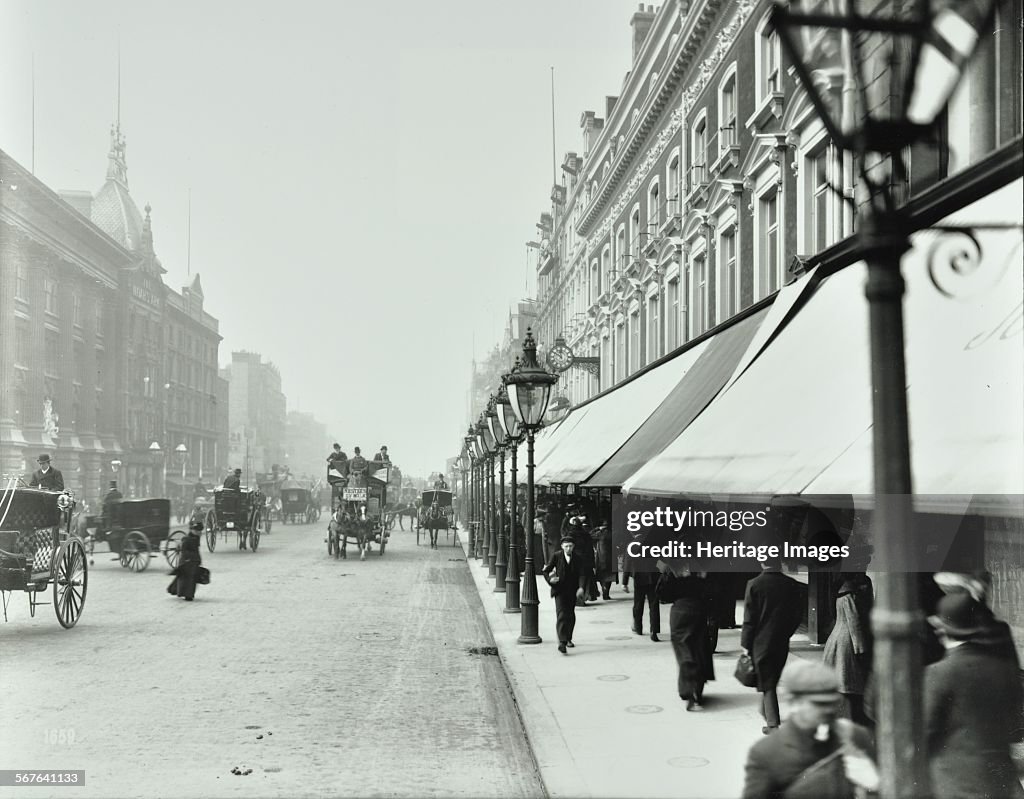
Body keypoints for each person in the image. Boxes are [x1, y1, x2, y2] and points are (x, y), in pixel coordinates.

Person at [924, 592, 1024, 799]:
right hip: (1000, 780)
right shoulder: (1003, 668)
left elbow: (924, 733)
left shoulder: (938, 672)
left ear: (941, 630)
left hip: (955, 784)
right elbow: (1015, 728)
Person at [742, 661, 878, 799]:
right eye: (819, 704)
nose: (829, 710)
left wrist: (875, 786)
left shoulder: (855, 736)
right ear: (794, 703)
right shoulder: (766, 753)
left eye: (833, 703)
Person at [742, 558, 804, 734]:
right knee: (771, 677)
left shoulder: (754, 584)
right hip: (781, 641)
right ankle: (766, 711)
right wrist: (787, 633)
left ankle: (773, 724)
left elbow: (749, 620)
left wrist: (745, 645)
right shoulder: (791, 584)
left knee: (768, 682)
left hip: (760, 642)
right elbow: (797, 614)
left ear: (762, 562)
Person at [657, 561, 714, 710]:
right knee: (700, 647)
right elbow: (712, 591)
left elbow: (661, 593)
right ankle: (697, 690)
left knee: (683, 649)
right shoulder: (702, 563)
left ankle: (688, 689)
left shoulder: (673, 564)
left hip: (679, 610)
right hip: (698, 609)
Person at [822, 572, 874, 726]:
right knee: (849, 682)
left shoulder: (841, 589)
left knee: (844, 682)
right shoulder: (849, 594)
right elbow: (854, 624)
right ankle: (850, 719)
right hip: (848, 642)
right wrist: (861, 649)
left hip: (839, 639)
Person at [542, 534, 586, 654]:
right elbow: (546, 571)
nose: (568, 549)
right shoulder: (556, 556)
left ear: (574, 546)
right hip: (559, 590)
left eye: (570, 546)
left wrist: (581, 588)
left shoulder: (578, 558)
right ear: (562, 546)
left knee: (570, 615)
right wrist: (550, 580)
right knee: (561, 614)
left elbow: (582, 574)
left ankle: (569, 638)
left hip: (572, 591)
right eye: (566, 546)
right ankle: (562, 642)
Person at [624, 543, 660, 642]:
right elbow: (662, 560)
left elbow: (627, 564)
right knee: (654, 605)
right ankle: (654, 631)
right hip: (653, 578)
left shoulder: (632, 545)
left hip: (639, 578)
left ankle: (638, 628)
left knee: (638, 604)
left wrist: (625, 582)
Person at [168, 519, 204, 601]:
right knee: (186, 579)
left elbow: (196, 550)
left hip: (193, 562)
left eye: (199, 531)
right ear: (192, 530)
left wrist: (198, 559)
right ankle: (187, 595)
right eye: (197, 531)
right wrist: (189, 558)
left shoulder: (196, 538)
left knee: (190, 579)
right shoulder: (186, 539)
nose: (199, 533)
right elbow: (184, 551)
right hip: (186, 562)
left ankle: (188, 594)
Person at [591, 520, 617, 601]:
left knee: (603, 577)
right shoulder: (614, 533)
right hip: (612, 558)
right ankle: (606, 594)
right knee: (609, 577)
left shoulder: (600, 534)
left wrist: (597, 528)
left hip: (601, 558)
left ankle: (604, 592)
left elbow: (589, 535)